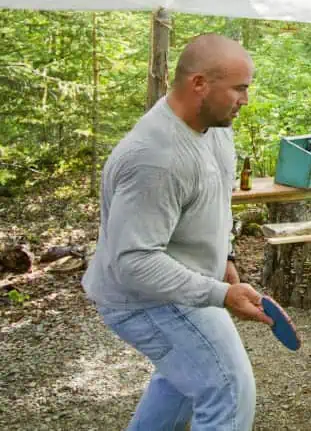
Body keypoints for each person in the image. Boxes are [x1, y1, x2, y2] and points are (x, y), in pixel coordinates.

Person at [82, 33, 272, 431]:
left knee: (184, 379)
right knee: (228, 390)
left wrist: (227, 257)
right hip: (141, 298)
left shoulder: (216, 126)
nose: (246, 100)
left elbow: (215, 197)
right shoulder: (157, 158)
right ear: (198, 83)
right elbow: (134, 262)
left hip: (182, 280)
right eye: (239, 89)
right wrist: (221, 294)